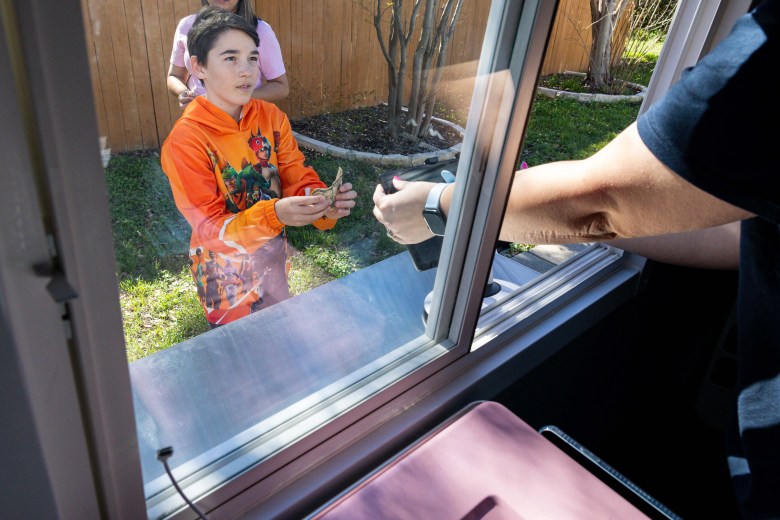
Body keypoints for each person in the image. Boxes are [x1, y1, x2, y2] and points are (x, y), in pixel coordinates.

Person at [373, 1, 778, 518]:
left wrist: (438, 208)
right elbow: (734, 233)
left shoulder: (768, 50)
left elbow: (603, 198)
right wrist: (559, 219)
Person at [161, 5, 356, 328]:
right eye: (230, 58)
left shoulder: (271, 118)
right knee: (240, 349)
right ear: (198, 67)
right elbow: (211, 230)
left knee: (280, 332)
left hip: (273, 263)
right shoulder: (186, 140)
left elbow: (296, 176)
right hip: (225, 283)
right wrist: (274, 214)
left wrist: (320, 202)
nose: (247, 71)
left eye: (253, 58)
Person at [167, 0, 288, 109]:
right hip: (200, 116)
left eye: (251, 58)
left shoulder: (261, 30)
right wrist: (183, 93)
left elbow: (280, 86)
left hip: (247, 118)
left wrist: (235, 98)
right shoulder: (186, 26)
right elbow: (174, 75)